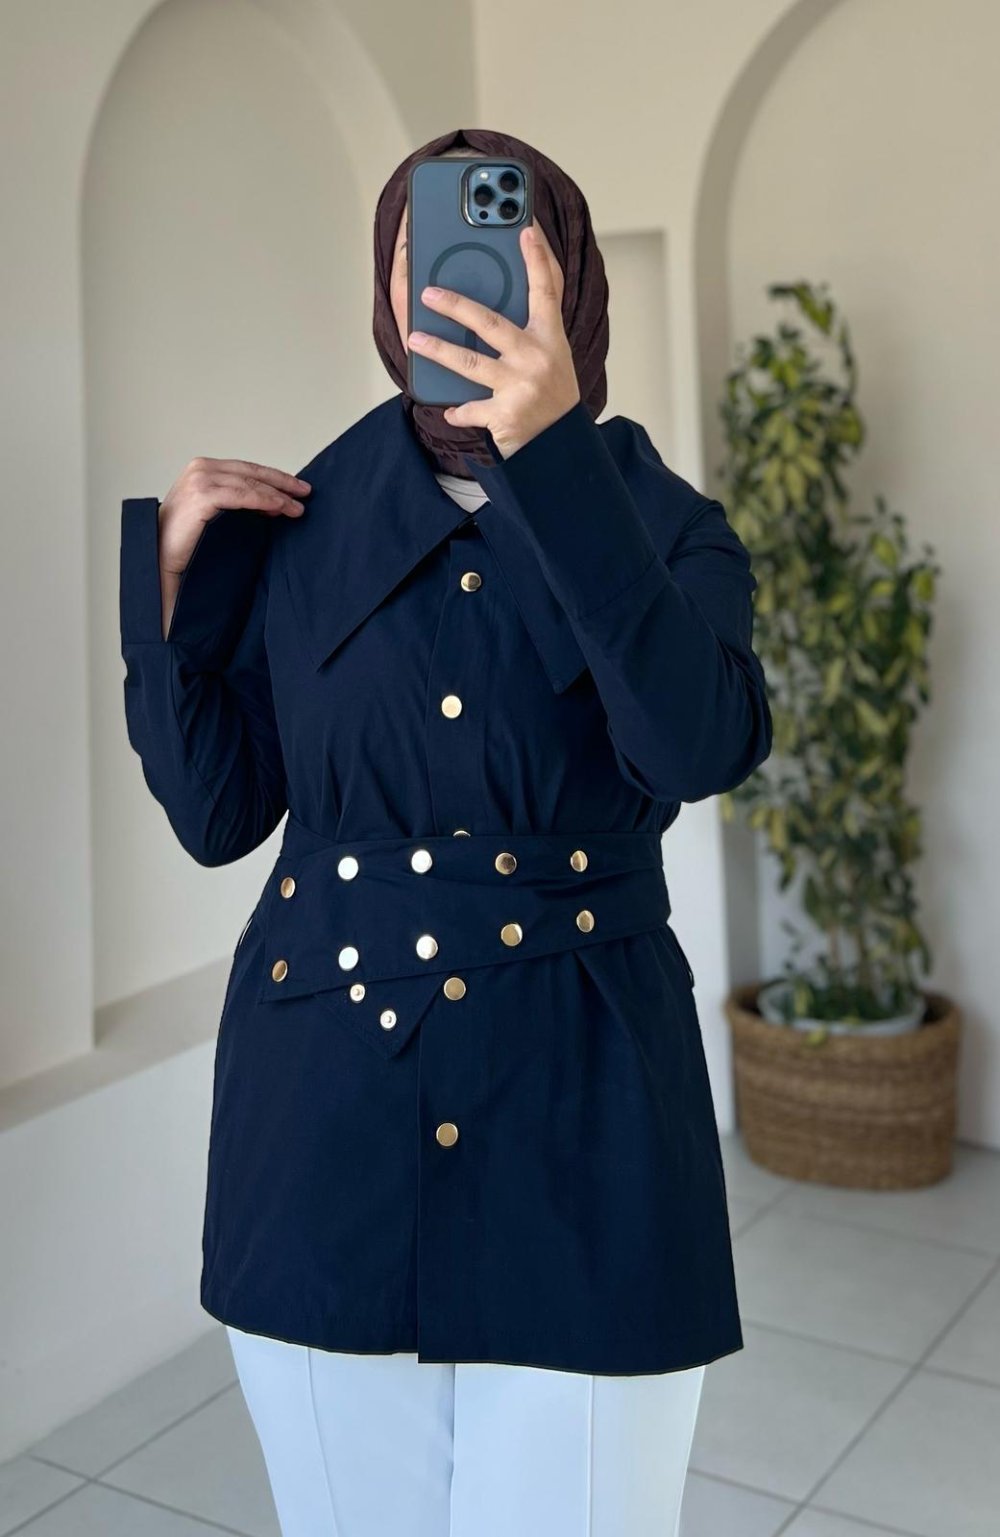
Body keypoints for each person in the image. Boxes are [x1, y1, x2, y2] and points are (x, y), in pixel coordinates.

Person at [118, 126, 772, 1536]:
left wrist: (550, 460)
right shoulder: (295, 523)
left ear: (569, 276)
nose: (462, 287)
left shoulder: (666, 526)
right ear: (384, 285)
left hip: (591, 1120)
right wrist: (164, 609)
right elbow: (220, 815)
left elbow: (696, 747)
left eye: (501, 250)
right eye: (428, 256)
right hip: (324, 1127)